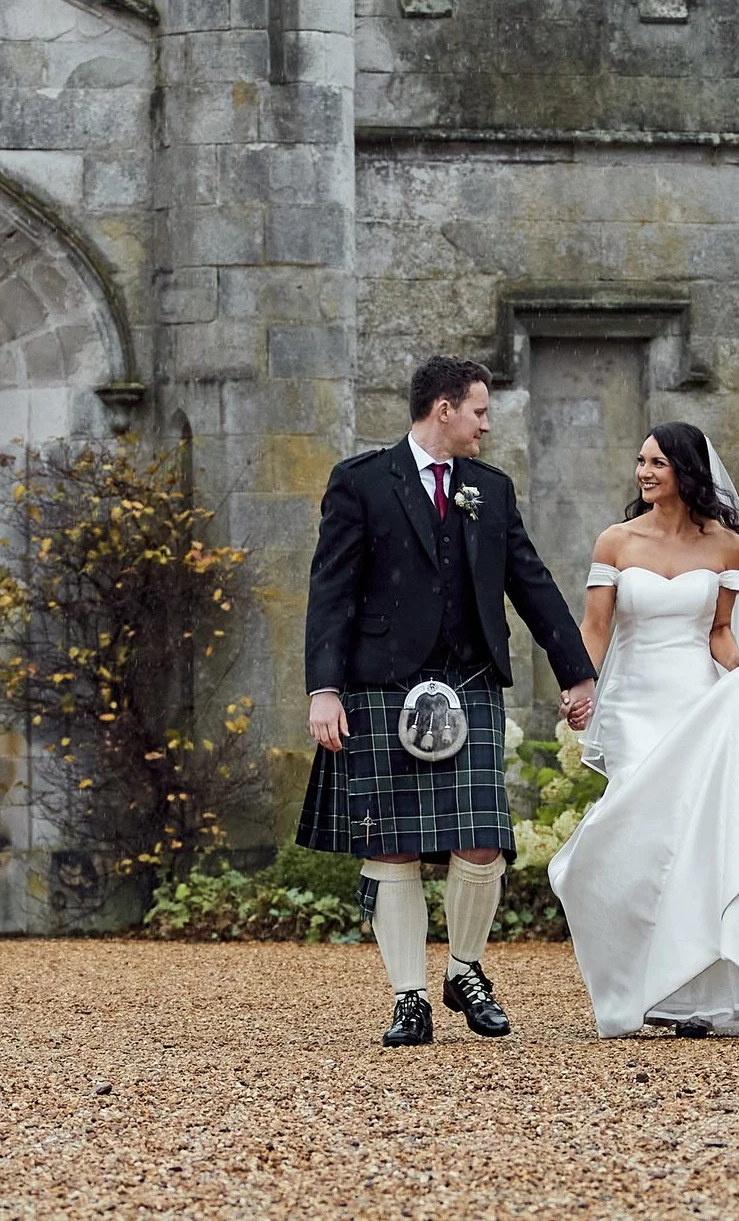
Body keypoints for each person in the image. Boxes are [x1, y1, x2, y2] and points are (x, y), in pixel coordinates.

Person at [295, 357, 599, 1046]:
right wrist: (325, 689)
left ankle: (464, 970)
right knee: (392, 847)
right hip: (380, 684)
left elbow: (532, 580)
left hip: (469, 682)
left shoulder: (489, 489)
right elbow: (331, 593)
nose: (487, 424)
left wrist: (575, 671)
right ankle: (409, 997)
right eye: (480, 411)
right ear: (443, 408)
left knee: (483, 837)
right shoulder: (362, 482)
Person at [549, 423, 739, 1037]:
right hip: (632, 708)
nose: (644, 472)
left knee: (694, 845)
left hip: (697, 702)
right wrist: (580, 685)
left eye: (657, 462)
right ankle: (635, 979)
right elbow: (596, 627)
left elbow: (720, 634)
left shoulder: (726, 546)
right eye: (640, 460)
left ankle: (690, 995)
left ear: (686, 470)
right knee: (634, 835)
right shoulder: (616, 542)